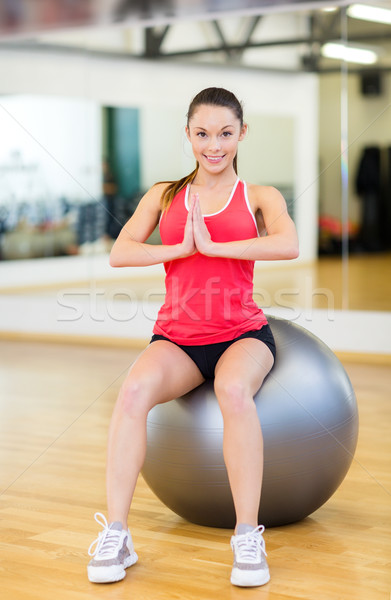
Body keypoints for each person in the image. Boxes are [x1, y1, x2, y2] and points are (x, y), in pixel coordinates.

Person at [87, 87, 299, 588]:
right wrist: (181, 248)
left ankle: (247, 535)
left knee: (232, 390)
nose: (214, 145)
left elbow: (288, 243)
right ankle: (117, 533)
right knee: (133, 392)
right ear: (188, 135)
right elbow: (120, 252)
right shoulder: (164, 194)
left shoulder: (260, 196)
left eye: (226, 133)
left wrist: (217, 245)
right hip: (178, 338)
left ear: (241, 134)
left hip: (242, 333)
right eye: (202, 134)